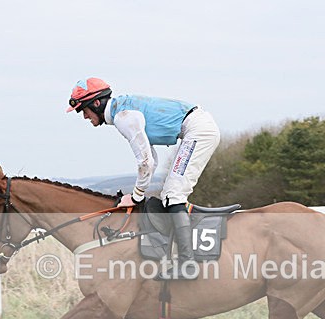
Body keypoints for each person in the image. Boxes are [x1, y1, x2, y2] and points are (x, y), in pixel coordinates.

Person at [66, 77, 220, 280]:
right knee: (169, 194)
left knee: (173, 194)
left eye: (83, 110)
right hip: (196, 127)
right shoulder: (122, 111)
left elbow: (145, 162)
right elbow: (152, 159)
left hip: (198, 130)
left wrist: (137, 196)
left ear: (96, 103)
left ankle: (187, 264)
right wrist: (138, 192)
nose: (85, 117)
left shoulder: (123, 116)